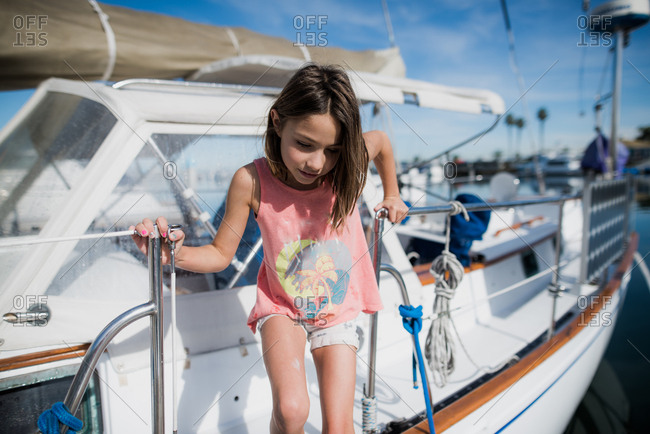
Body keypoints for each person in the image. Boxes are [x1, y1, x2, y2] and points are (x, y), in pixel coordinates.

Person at [131, 63, 408, 434]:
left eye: (333, 150)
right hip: (282, 308)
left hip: (338, 309)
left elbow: (383, 144)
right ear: (277, 122)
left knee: (339, 427)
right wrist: (173, 255)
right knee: (292, 410)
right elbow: (219, 255)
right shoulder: (250, 181)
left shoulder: (351, 161)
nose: (318, 163)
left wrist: (392, 193)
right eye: (305, 145)